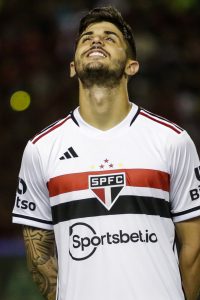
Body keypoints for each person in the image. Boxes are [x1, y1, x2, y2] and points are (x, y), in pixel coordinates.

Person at [12, 6, 200, 300]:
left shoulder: (172, 141)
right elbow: (39, 256)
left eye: (110, 37)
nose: (96, 41)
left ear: (131, 66)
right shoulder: (41, 149)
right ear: (72, 66)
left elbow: (193, 249)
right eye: (86, 38)